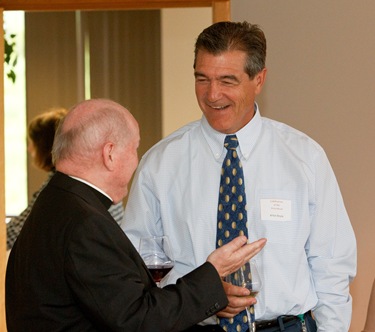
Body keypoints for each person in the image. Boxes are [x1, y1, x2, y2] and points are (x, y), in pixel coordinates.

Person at [122, 21, 357, 331]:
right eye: (202, 79)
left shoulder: (305, 157)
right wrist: (202, 296)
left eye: (227, 80)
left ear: (258, 80)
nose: (212, 94)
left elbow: (331, 264)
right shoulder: (160, 164)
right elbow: (138, 267)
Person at [5, 98, 267, 332]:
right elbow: (138, 319)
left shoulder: (55, 201)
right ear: (109, 154)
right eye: (134, 149)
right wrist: (213, 272)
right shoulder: (86, 223)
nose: (136, 160)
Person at [6, 107, 124, 251]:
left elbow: (13, 234)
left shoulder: (59, 186)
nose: (29, 149)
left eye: (32, 142)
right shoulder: (98, 175)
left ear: (45, 146)